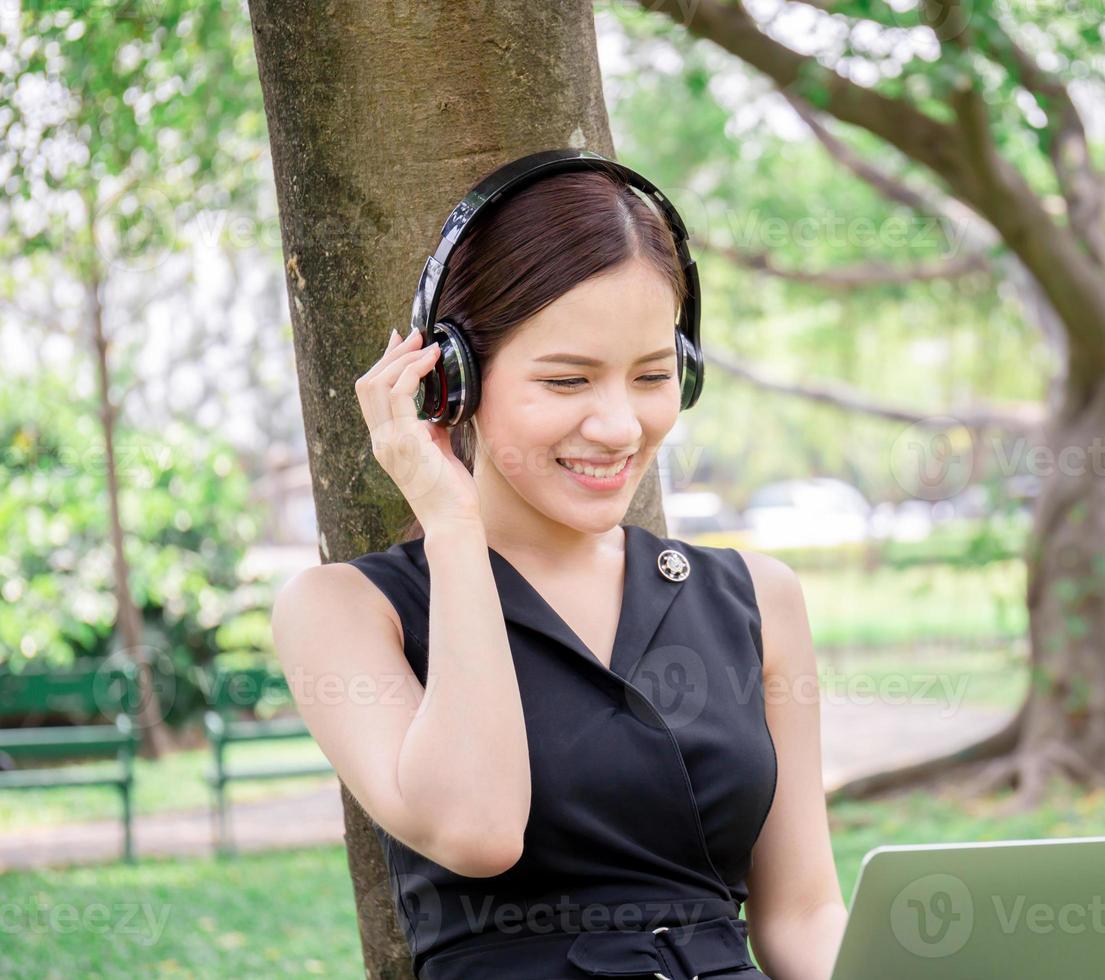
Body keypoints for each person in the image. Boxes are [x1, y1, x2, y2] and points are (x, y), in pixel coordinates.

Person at [271, 163, 848, 979]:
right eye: (567, 380)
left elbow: (802, 914)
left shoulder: (756, 599)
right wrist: (453, 523)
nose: (617, 426)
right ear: (453, 380)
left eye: (651, 376)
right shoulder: (347, 609)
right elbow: (476, 829)